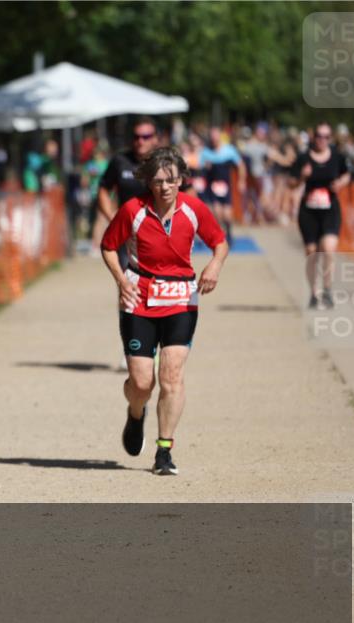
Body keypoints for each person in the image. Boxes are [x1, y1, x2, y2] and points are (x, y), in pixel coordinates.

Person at [100, 147, 229, 475]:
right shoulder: (133, 210)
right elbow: (107, 246)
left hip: (181, 299)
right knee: (143, 383)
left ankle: (164, 451)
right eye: (158, 181)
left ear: (182, 180)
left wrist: (214, 265)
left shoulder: (193, 208)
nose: (165, 187)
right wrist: (120, 280)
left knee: (172, 376)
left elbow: (220, 242)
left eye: (172, 180)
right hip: (139, 300)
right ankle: (135, 412)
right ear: (147, 182)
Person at [288, 122, 351, 309]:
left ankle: (328, 289)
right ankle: (314, 293)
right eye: (319, 136)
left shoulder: (337, 157)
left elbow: (347, 174)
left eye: (326, 136)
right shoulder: (303, 158)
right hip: (309, 212)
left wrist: (340, 183)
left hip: (330, 209)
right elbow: (290, 184)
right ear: (313, 137)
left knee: (329, 249)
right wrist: (302, 177)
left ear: (330, 139)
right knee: (312, 253)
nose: (322, 140)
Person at [97, 117, 161, 268]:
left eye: (146, 137)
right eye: (136, 137)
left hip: (159, 230)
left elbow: (187, 191)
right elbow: (104, 188)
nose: (141, 141)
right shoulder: (120, 161)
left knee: (159, 282)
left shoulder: (165, 161)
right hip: (128, 232)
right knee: (127, 283)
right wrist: (112, 217)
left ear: (156, 138)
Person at [200, 127, 245, 238]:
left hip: (226, 185)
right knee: (217, 212)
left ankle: (229, 232)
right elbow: (200, 168)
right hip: (213, 185)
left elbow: (241, 166)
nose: (214, 139)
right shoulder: (206, 152)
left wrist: (242, 180)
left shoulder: (229, 150)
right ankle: (220, 235)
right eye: (212, 136)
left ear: (220, 136)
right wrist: (205, 167)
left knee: (227, 214)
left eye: (216, 136)